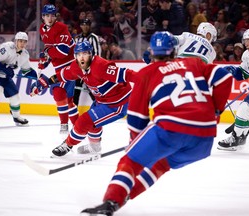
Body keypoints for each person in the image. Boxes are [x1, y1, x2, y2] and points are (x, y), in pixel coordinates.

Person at [79, 31, 232, 215]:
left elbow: (136, 118)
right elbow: (224, 77)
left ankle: (112, 200)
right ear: (174, 51)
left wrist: (135, 144)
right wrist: (216, 110)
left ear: (151, 52)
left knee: (130, 161)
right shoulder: (194, 63)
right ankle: (126, 196)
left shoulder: (147, 73)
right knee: (161, 164)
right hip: (204, 140)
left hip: (170, 129)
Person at [30, 41, 137, 156]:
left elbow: (128, 74)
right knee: (93, 125)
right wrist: (44, 83)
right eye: (79, 54)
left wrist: (150, 82)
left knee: (84, 121)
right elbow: (60, 76)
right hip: (101, 100)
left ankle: (68, 145)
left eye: (85, 53)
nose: (82, 57)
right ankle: (95, 147)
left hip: (118, 104)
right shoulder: (76, 67)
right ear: (75, 56)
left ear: (91, 54)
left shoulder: (101, 66)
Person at [36, 4, 78, 134]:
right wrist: (44, 61)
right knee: (68, 100)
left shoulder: (62, 28)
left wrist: (48, 53)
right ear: (43, 16)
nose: (50, 18)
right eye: (47, 15)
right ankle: (78, 126)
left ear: (56, 16)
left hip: (69, 67)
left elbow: (63, 51)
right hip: (56, 67)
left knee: (60, 94)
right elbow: (50, 48)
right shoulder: (42, 29)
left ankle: (65, 125)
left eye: (52, 15)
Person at [0, 32, 36, 128]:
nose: (22, 44)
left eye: (24, 42)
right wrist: (5, 69)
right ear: (16, 41)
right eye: (20, 41)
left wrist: (39, 78)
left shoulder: (25, 54)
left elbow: (27, 71)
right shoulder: (6, 47)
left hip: (5, 76)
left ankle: (16, 117)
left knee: (15, 97)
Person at [143, 22, 217, 64]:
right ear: (208, 34)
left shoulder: (187, 35)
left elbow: (169, 40)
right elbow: (208, 70)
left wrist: (152, 50)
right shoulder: (212, 51)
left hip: (179, 64)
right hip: (197, 71)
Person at [73, 18, 101, 106]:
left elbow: (97, 53)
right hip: (80, 68)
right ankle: (74, 111)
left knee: (92, 89)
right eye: (83, 25)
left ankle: (99, 107)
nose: (85, 27)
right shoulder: (78, 38)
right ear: (80, 26)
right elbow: (75, 53)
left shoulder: (94, 37)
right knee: (76, 90)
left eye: (86, 25)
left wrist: (93, 67)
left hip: (91, 68)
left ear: (89, 26)